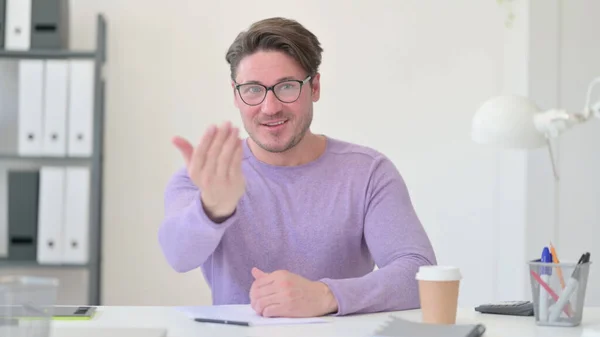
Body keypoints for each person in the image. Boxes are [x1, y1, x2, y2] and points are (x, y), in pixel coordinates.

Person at [158, 17, 437, 318]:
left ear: (314, 87)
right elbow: (178, 256)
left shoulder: (368, 173)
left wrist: (328, 295)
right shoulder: (205, 177)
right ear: (236, 94)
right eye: (253, 89)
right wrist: (212, 209)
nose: (270, 107)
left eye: (287, 87)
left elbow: (419, 274)